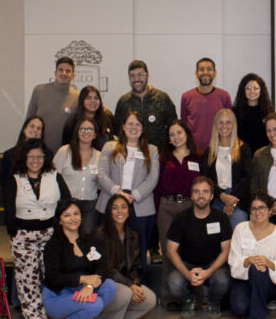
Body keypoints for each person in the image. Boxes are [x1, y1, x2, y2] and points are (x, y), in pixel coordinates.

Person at [2, 138, 71, 319]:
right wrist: (14, 232)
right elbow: (8, 208)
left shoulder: (54, 176)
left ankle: (59, 314)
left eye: (39, 156)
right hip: (24, 236)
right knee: (28, 279)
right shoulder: (13, 178)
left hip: (51, 235)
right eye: (30, 156)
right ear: (23, 158)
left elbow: (66, 202)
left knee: (53, 275)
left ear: (45, 157)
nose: (35, 160)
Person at [43, 199, 117, 319]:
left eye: (76, 214)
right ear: (59, 220)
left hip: (82, 290)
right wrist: (83, 279)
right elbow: (53, 277)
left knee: (110, 287)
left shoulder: (90, 240)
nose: (73, 218)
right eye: (67, 215)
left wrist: (89, 286)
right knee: (96, 304)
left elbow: (102, 267)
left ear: (81, 217)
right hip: (58, 295)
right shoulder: (53, 245)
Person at [96, 111, 160, 273]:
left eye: (138, 124)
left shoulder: (151, 150)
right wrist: (118, 192)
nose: (133, 127)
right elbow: (102, 174)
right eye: (130, 123)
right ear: (123, 126)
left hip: (140, 204)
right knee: (109, 249)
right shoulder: (109, 147)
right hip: (111, 202)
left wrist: (134, 195)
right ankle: (111, 288)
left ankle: (139, 288)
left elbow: (153, 178)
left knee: (138, 251)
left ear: (143, 128)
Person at [165, 177, 233, 318]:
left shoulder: (221, 218)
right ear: (191, 195)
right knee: (174, 283)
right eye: (197, 191)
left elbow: (226, 251)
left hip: (213, 265)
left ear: (212, 196)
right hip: (187, 265)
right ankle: (189, 299)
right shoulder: (181, 218)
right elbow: (170, 251)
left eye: (205, 191)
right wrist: (187, 274)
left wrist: (209, 271)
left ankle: (213, 301)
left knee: (223, 280)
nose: (201, 195)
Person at [90, 194, 157, 319]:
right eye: (115, 208)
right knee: (126, 293)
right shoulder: (99, 235)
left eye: (123, 207)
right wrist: (129, 285)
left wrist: (135, 285)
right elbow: (106, 269)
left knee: (150, 299)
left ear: (129, 210)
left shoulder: (132, 235)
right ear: (109, 211)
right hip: (105, 284)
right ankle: (98, 318)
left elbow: (136, 266)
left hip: (126, 284)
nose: (120, 211)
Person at [228, 192, 276, 319]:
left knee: (258, 269)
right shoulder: (240, 229)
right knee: (240, 308)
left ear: (270, 210)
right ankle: (255, 303)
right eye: (254, 208)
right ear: (250, 211)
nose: (258, 212)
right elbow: (233, 263)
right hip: (243, 281)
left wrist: (268, 263)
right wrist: (248, 260)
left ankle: (258, 318)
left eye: (262, 208)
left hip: (268, 283)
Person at [156, 120, 203, 303]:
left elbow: (204, 186)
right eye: (172, 135)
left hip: (190, 207)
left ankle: (196, 296)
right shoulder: (164, 159)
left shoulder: (197, 157)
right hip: (167, 207)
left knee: (192, 251)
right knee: (169, 252)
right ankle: (169, 297)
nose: (176, 137)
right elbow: (157, 187)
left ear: (187, 134)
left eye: (179, 133)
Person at [201, 108, 252, 231]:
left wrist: (231, 200)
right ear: (216, 125)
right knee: (214, 238)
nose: (224, 126)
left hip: (238, 201)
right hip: (216, 199)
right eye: (221, 122)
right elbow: (207, 179)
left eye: (228, 122)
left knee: (239, 235)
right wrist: (222, 196)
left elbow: (247, 177)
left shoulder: (243, 148)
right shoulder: (210, 151)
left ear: (233, 125)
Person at [113, 60, 178, 153]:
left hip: (160, 156)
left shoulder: (162, 99)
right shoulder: (123, 102)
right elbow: (118, 132)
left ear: (147, 75)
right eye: (132, 75)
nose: (136, 79)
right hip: (131, 156)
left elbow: (173, 128)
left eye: (140, 74)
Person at [53, 118, 102, 235]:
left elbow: (101, 184)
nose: (86, 132)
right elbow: (53, 177)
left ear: (95, 134)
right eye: (83, 129)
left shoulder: (100, 156)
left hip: (89, 205)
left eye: (90, 129)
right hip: (67, 204)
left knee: (87, 237)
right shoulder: (64, 151)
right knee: (66, 236)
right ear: (77, 132)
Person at [26, 56, 79, 153]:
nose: (64, 73)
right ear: (55, 73)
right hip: (38, 153)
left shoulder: (77, 97)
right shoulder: (39, 90)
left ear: (73, 75)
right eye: (61, 70)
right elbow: (28, 121)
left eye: (68, 71)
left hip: (64, 154)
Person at [179, 57, 233, 151]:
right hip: (194, 151)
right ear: (196, 74)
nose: (205, 72)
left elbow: (231, 124)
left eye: (209, 69)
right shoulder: (186, 97)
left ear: (215, 73)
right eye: (201, 69)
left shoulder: (224, 96)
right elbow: (184, 125)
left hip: (218, 150)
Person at [61, 85, 114, 150]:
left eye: (96, 98)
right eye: (88, 98)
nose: (93, 101)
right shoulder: (72, 123)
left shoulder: (106, 119)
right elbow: (66, 149)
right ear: (82, 101)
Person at [232, 73, 272, 154]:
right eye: (248, 88)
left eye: (256, 88)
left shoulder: (268, 112)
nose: (252, 91)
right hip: (241, 156)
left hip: (263, 156)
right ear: (243, 90)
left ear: (261, 90)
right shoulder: (235, 112)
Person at [1, 116, 45, 185]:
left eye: (39, 128)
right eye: (32, 126)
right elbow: (4, 183)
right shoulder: (9, 155)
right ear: (24, 129)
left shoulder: (47, 155)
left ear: (41, 134)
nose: (35, 130)